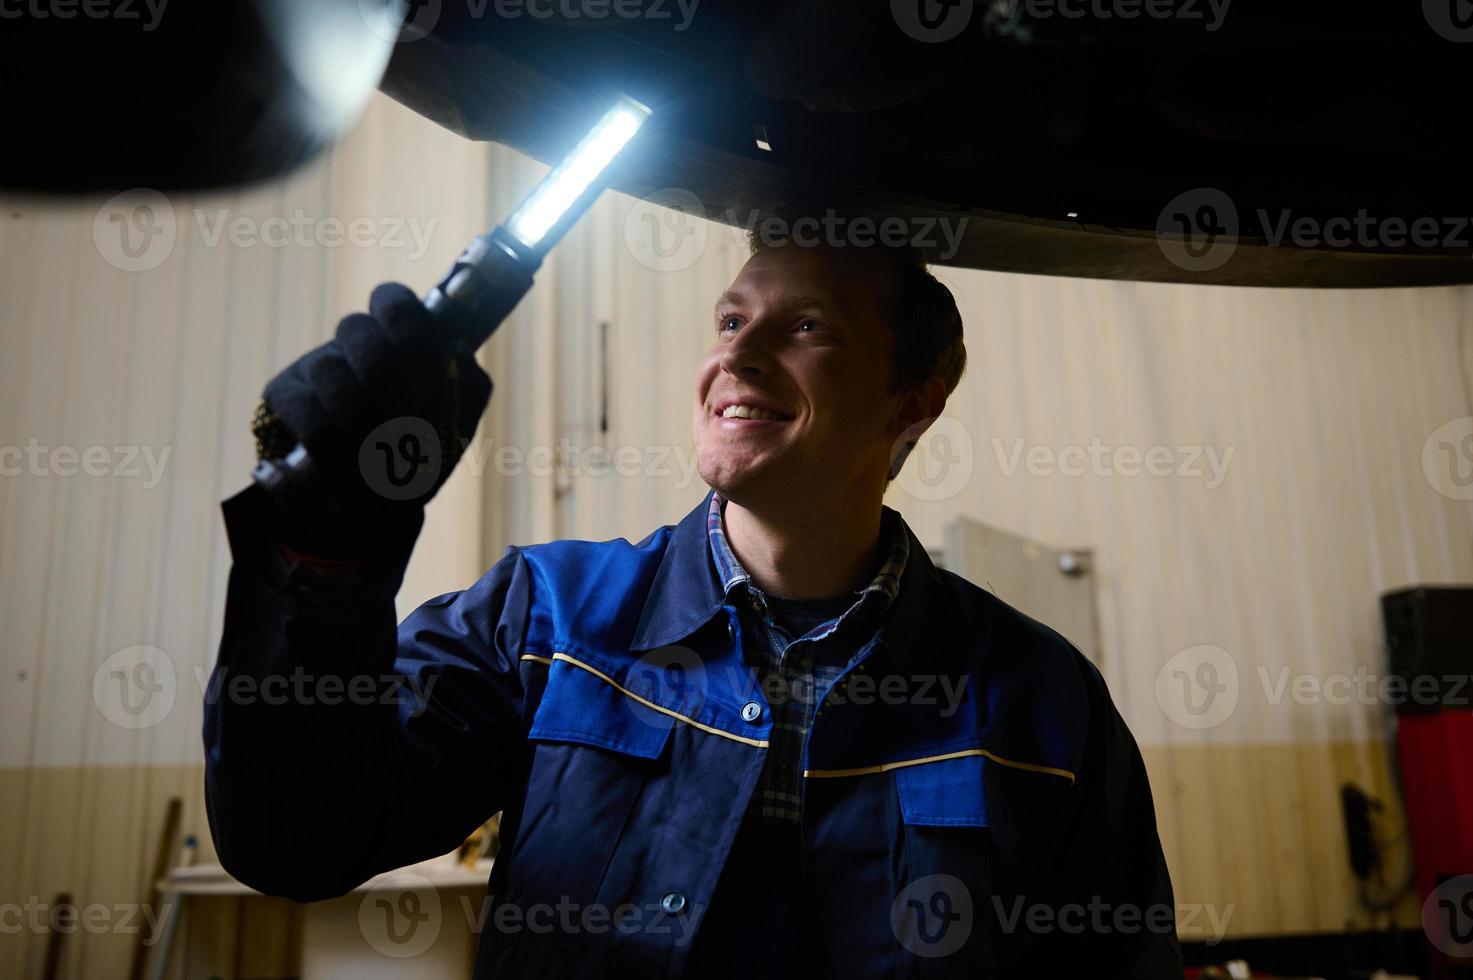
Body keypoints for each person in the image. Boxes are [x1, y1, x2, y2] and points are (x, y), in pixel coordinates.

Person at [204, 214, 1182, 978]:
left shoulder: (1038, 699)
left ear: (912, 398)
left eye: (804, 327)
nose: (737, 357)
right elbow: (300, 838)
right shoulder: (547, 618)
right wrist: (327, 559)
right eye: (730, 318)